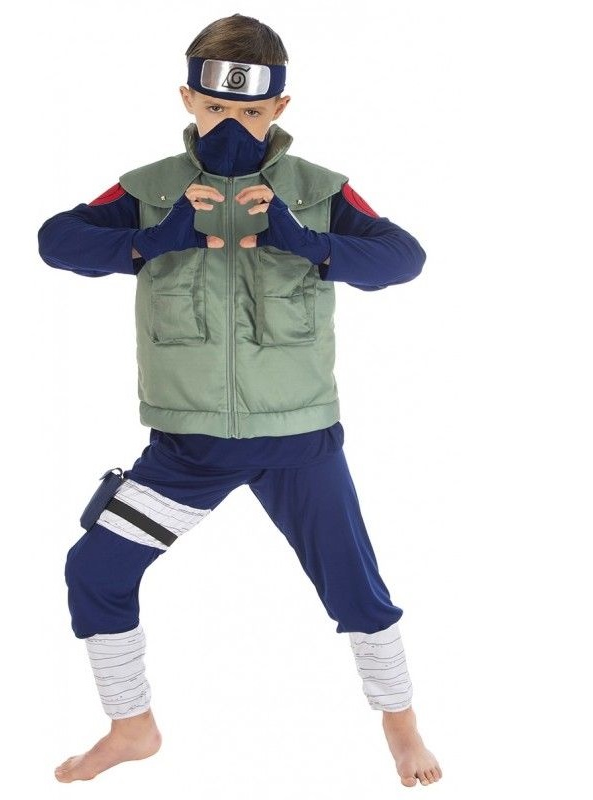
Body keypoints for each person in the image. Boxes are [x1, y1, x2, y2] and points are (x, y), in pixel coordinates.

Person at [37, 13, 441, 789]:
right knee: (95, 568)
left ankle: (400, 720)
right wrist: (148, 241)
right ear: (188, 99)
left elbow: (403, 259)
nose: (232, 124)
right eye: (217, 106)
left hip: (299, 440)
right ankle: (131, 726)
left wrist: (311, 244)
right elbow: (57, 241)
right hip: (187, 449)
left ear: (279, 108)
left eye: (251, 111)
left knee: (355, 586)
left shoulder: (319, 190)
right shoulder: (148, 189)